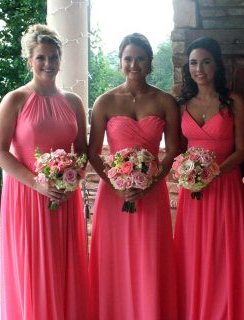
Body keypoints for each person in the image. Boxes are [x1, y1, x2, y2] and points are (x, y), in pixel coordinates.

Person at [0, 24, 89, 319]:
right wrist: (37, 184)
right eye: (41, 58)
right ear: (30, 60)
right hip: (27, 196)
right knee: (34, 266)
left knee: (65, 263)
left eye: (53, 57)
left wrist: (72, 178)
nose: (48, 64)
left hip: (65, 197)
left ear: (61, 58)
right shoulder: (15, 100)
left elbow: (83, 151)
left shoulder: (73, 102)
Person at [88, 33, 179, 320]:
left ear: (150, 63)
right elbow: (92, 153)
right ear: (120, 62)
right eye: (128, 58)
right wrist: (115, 184)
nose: (134, 64)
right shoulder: (104, 101)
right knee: (113, 260)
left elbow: (174, 149)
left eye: (140, 58)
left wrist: (152, 182)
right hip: (113, 196)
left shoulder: (165, 101)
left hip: (152, 193)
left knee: (150, 259)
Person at [173, 37, 244, 320]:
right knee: (191, 253)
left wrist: (212, 173)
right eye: (193, 62)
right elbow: (179, 150)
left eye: (205, 61)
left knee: (221, 253)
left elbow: (242, 150)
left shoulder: (233, 102)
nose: (199, 68)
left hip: (224, 185)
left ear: (217, 64)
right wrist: (189, 172)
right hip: (191, 189)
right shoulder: (181, 105)